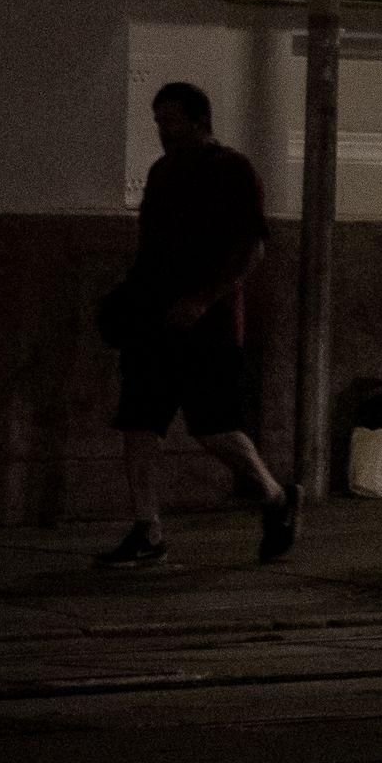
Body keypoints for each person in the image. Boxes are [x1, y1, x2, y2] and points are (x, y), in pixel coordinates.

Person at [100, 81, 296, 569]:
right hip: (154, 320)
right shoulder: (162, 172)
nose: (163, 131)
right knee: (140, 424)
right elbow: (151, 250)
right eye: (159, 122)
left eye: (171, 120)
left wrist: (204, 300)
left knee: (214, 430)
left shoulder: (231, 170)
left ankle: (274, 495)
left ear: (198, 120)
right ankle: (148, 530)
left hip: (208, 325)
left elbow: (252, 248)